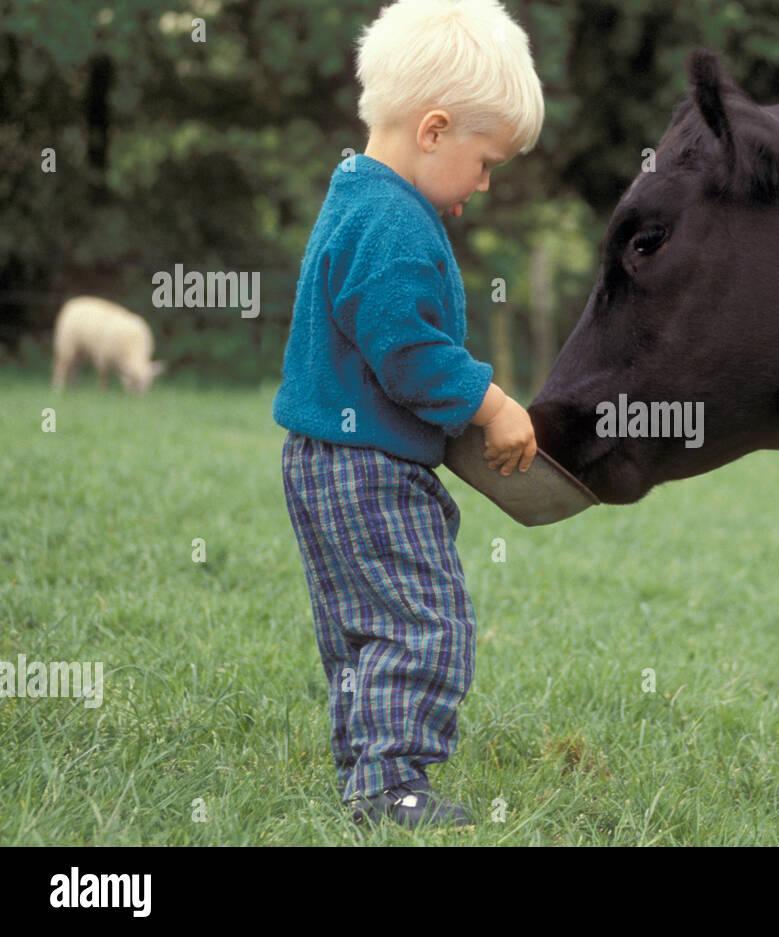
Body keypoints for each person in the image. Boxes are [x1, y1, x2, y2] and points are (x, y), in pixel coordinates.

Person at [272, 0, 543, 829]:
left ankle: (367, 766)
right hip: (368, 469)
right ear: (434, 129)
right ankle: (393, 784)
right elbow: (408, 352)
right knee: (425, 621)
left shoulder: (357, 195)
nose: (487, 183)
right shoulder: (394, 222)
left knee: (362, 625)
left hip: (322, 461)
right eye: (486, 160)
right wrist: (492, 403)